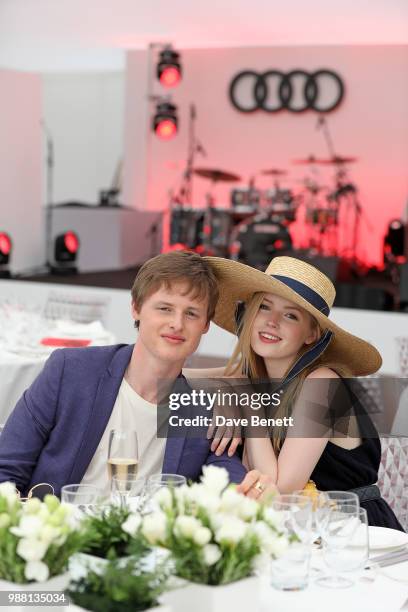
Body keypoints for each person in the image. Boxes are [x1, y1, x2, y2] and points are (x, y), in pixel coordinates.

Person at [0, 251, 246, 498]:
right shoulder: (70, 371)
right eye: (165, 308)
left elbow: (230, 483)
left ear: (205, 325)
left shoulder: (205, 410)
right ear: (136, 308)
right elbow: (7, 469)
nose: (177, 324)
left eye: (191, 313)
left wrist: (250, 487)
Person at [187, 255, 403, 530]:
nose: (272, 321)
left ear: (311, 334)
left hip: (354, 531)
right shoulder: (250, 377)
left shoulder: (323, 384)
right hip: (299, 530)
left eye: (290, 315)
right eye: (264, 307)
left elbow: (279, 493)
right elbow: (175, 379)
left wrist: (247, 403)